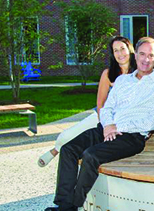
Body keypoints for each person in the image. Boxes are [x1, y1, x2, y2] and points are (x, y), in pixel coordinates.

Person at [42, 37, 154, 211]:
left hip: (132, 137)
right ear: (136, 54)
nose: (145, 59)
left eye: (151, 55)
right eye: (142, 54)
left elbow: (153, 121)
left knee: (90, 155)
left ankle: (73, 206)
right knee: (68, 149)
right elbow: (107, 106)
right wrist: (108, 124)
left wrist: (119, 126)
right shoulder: (122, 80)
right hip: (107, 128)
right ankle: (63, 204)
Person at [37, 36, 136, 167]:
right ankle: (55, 151)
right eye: (116, 50)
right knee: (67, 136)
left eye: (122, 49)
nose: (120, 53)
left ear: (130, 50)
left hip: (125, 121)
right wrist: (106, 124)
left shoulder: (139, 74)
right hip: (104, 117)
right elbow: (100, 103)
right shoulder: (108, 74)